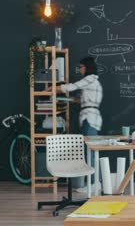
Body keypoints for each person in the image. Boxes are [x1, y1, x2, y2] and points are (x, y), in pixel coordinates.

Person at [48, 56, 103, 189]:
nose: (79, 69)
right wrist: (71, 100)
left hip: (89, 118)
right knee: (90, 151)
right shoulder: (94, 81)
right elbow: (84, 99)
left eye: (81, 67)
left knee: (89, 152)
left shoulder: (89, 79)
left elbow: (73, 86)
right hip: (91, 118)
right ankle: (94, 184)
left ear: (87, 67)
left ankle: (93, 185)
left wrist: (54, 89)